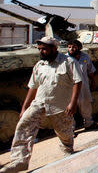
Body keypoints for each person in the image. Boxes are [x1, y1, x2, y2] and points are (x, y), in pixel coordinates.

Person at [0, 37, 82, 173]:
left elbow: (77, 82)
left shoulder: (69, 62)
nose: (41, 52)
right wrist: (25, 107)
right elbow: (33, 86)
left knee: (64, 132)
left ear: (54, 49)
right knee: (24, 126)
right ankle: (19, 161)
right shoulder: (40, 65)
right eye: (40, 49)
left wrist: (73, 103)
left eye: (44, 49)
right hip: (39, 103)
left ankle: (68, 151)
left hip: (60, 105)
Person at [67, 39, 97, 130]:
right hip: (70, 86)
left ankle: (89, 123)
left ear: (79, 48)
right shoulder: (64, 59)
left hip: (83, 85)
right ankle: (71, 128)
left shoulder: (85, 57)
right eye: (69, 47)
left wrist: (93, 81)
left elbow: (90, 70)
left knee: (86, 104)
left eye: (74, 47)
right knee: (69, 107)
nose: (71, 49)